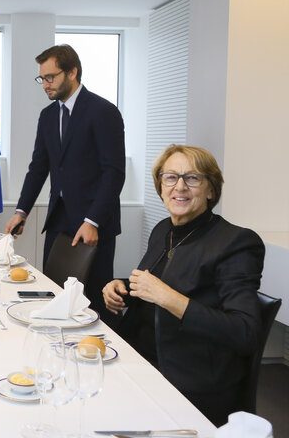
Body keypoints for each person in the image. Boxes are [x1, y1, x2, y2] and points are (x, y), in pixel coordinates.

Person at [103, 145, 264, 426]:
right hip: (135, 360)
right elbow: (160, 280)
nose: (180, 186)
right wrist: (122, 287)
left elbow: (245, 332)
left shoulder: (236, 242)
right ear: (161, 186)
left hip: (187, 379)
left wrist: (167, 297)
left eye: (193, 178)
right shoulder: (164, 229)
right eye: (170, 177)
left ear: (211, 190)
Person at [5, 44, 125, 320]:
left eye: (51, 77)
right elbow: (39, 168)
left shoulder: (103, 111)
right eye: (42, 78)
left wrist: (93, 220)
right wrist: (21, 211)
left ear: (72, 72)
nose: (45, 84)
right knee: (56, 298)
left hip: (94, 226)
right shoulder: (48, 116)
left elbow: (114, 172)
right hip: (59, 221)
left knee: (91, 306)